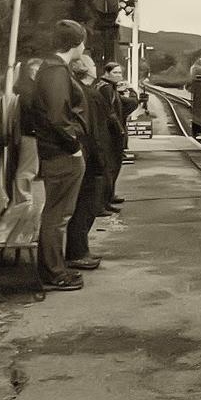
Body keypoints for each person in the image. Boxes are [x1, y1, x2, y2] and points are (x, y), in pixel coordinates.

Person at [31, 20, 88, 291]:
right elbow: (58, 116)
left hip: (57, 152)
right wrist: (74, 145)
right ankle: (54, 272)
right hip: (62, 154)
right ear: (75, 44)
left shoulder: (52, 69)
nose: (84, 46)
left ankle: (53, 268)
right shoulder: (55, 72)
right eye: (82, 42)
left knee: (57, 214)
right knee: (58, 215)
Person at [65, 54, 111, 270]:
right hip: (91, 154)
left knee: (85, 204)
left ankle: (80, 250)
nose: (96, 67)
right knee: (86, 205)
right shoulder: (89, 95)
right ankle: (77, 252)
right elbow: (95, 130)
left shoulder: (85, 93)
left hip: (88, 153)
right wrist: (100, 157)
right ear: (84, 69)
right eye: (92, 64)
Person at [96, 62, 137, 209]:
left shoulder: (109, 88)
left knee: (113, 166)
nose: (119, 76)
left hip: (111, 132)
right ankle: (103, 203)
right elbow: (111, 112)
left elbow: (128, 105)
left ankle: (107, 198)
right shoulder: (106, 89)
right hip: (109, 134)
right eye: (115, 73)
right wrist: (120, 130)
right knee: (110, 167)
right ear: (106, 73)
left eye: (120, 73)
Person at [12, 57, 42, 204]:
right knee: (28, 168)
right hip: (30, 132)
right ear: (33, 71)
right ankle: (23, 197)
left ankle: (24, 196)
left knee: (29, 167)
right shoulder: (29, 90)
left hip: (29, 131)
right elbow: (32, 112)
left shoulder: (26, 88)